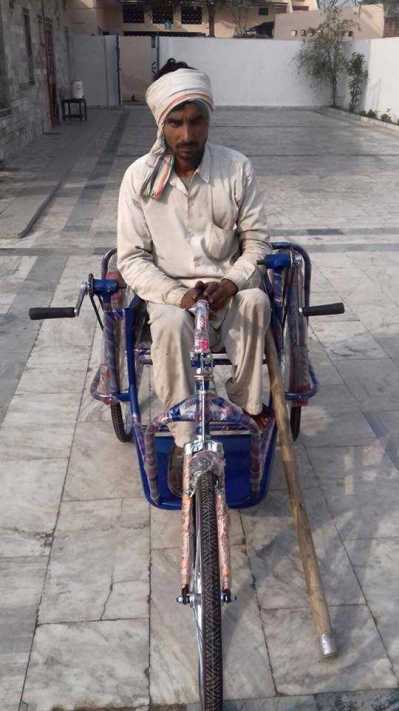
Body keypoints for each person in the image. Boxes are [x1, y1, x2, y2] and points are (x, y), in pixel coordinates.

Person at [117, 58, 272, 492]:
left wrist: (233, 282)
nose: (187, 136)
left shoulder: (236, 168)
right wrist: (175, 295)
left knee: (258, 301)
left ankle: (244, 408)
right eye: (177, 123)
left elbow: (257, 244)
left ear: (208, 120)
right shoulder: (138, 179)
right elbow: (131, 258)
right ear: (161, 125)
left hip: (228, 286)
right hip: (173, 295)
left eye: (197, 121)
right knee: (166, 326)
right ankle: (185, 442)